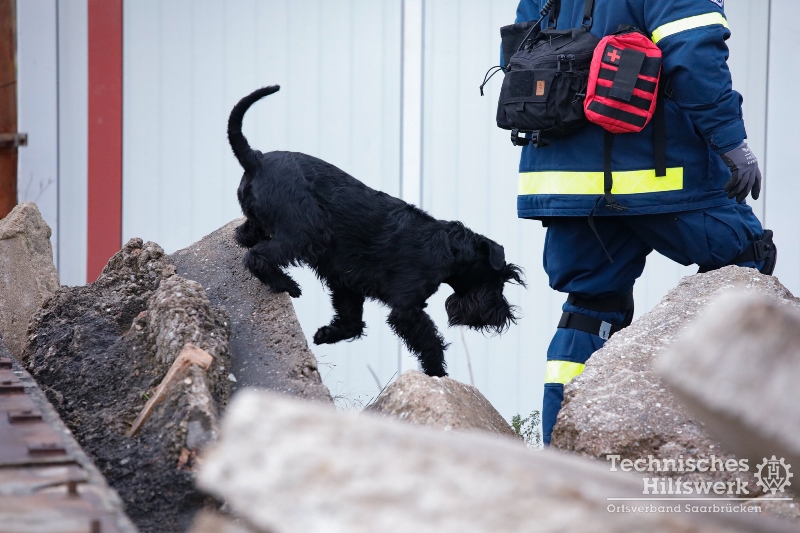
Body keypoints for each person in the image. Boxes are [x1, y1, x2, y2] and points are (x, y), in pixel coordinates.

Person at [508, 0, 776, 446]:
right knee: (745, 261)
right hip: (658, 173)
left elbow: (518, 55)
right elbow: (694, 53)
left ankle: (560, 452)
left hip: (564, 179)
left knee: (590, 308)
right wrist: (732, 142)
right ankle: (737, 433)